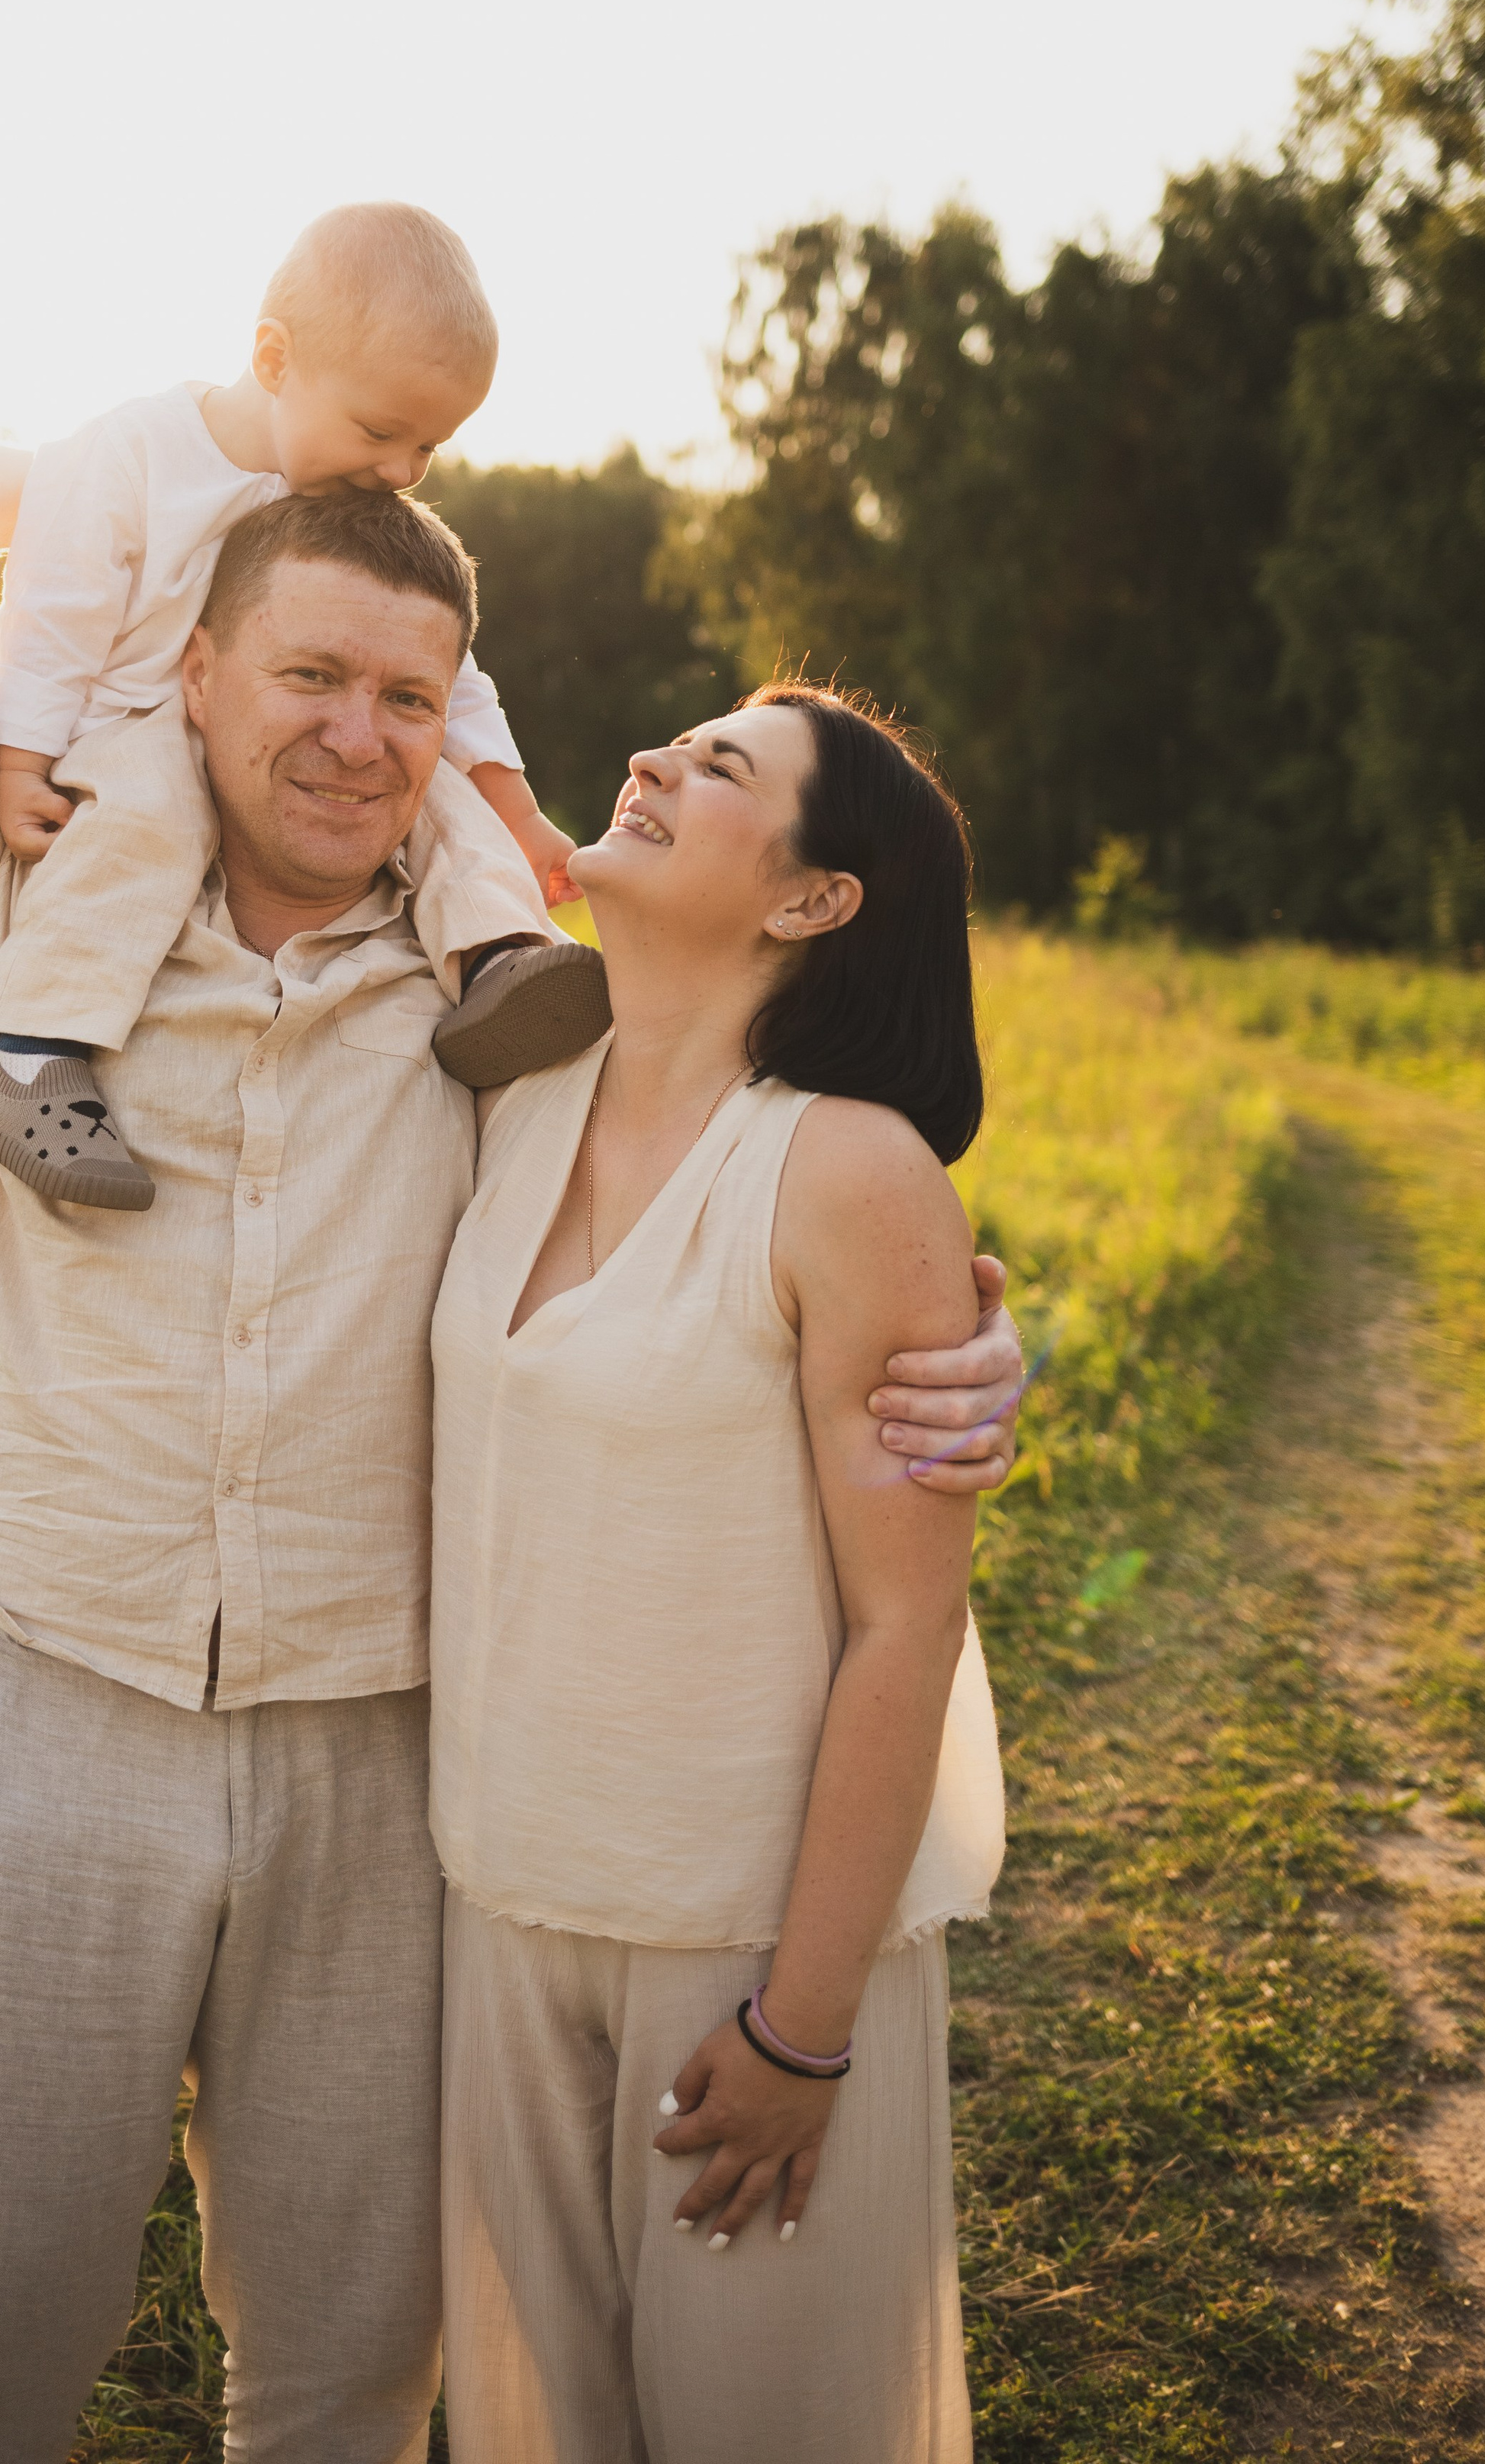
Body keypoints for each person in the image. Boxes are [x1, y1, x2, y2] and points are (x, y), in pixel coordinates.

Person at [0, 441, 1026, 2464]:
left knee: (347, 2396)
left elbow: (756, 1190)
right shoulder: (15, 880)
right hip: (33, 1713)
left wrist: (965, 1341)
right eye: (310, 674)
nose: (357, 736)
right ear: (194, 671)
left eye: (410, 696)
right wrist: (220, 450)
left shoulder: (515, 1011)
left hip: (392, 1775)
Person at [430, 682, 1003, 2462]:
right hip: (497, 1907)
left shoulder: (848, 1170)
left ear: (812, 898)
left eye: (719, 767)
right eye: (674, 741)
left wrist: (800, 2030)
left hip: (745, 1948)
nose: (651, 763)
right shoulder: (507, 1101)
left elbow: (906, 1621)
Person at [0, 199, 607, 1211]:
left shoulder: (335, 499)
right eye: (381, 431)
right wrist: (23, 757)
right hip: (136, 723)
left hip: (260, 737)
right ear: (274, 359)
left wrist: (515, 809)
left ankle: (498, 961)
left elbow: (449, 672)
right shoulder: (129, 455)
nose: (400, 472)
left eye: (428, 449)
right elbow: (52, 613)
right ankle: (37, 1058)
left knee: (431, 779)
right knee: (134, 830)